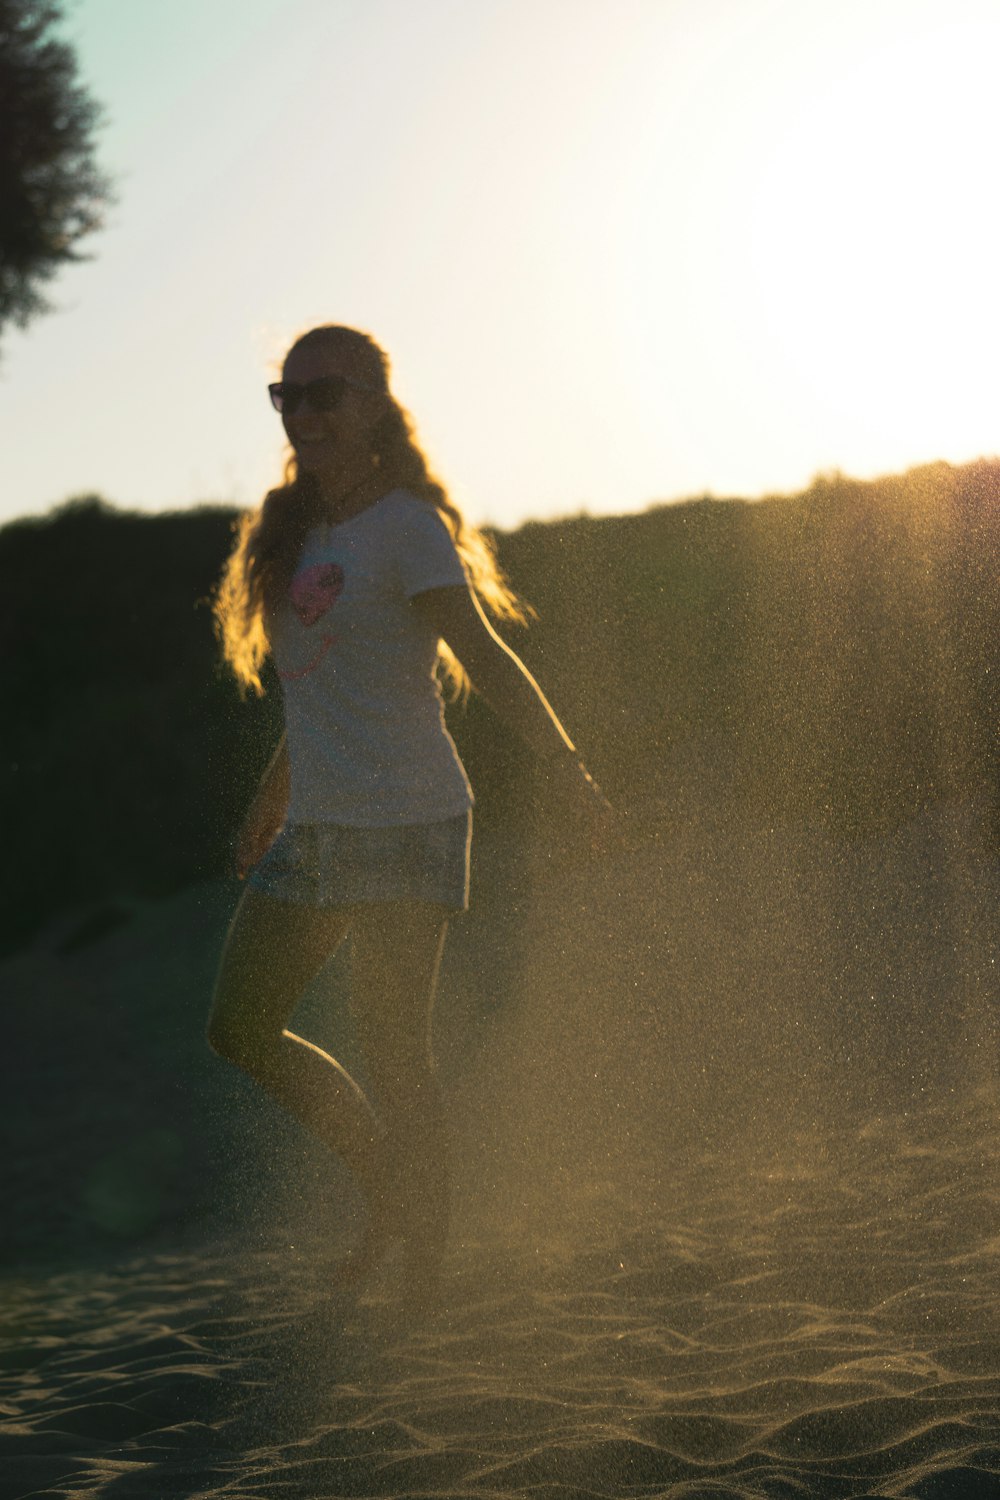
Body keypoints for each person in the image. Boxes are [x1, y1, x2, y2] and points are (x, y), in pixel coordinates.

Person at [207, 324, 611, 1303]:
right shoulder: (297, 535)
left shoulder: (407, 529)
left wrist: (562, 766)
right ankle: (391, 1190)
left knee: (393, 1048)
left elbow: (479, 651)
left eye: (323, 394)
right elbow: (311, 694)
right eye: (286, 398)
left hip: (408, 821)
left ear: (375, 404)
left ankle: (423, 1272)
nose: (303, 415)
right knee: (238, 1026)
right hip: (316, 829)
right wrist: (268, 808)